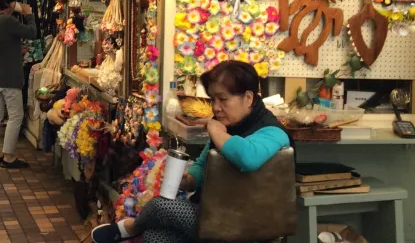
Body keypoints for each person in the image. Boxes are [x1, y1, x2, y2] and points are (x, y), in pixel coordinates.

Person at [91, 61, 290, 243]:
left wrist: (216, 132)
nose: (216, 108)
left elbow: (248, 157)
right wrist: (188, 180)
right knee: (154, 236)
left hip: (247, 227)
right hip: (214, 217)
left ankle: (130, 227)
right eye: (213, 100)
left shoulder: (272, 131)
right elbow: (204, 164)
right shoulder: (228, 125)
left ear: (248, 98)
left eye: (223, 99)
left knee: (163, 206)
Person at [0, 0, 38, 169]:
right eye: (14, 1)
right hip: (8, 76)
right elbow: (31, 33)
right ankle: (9, 155)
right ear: (8, 3)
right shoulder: (7, 20)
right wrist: (29, 15)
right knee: (16, 115)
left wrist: (16, 49)